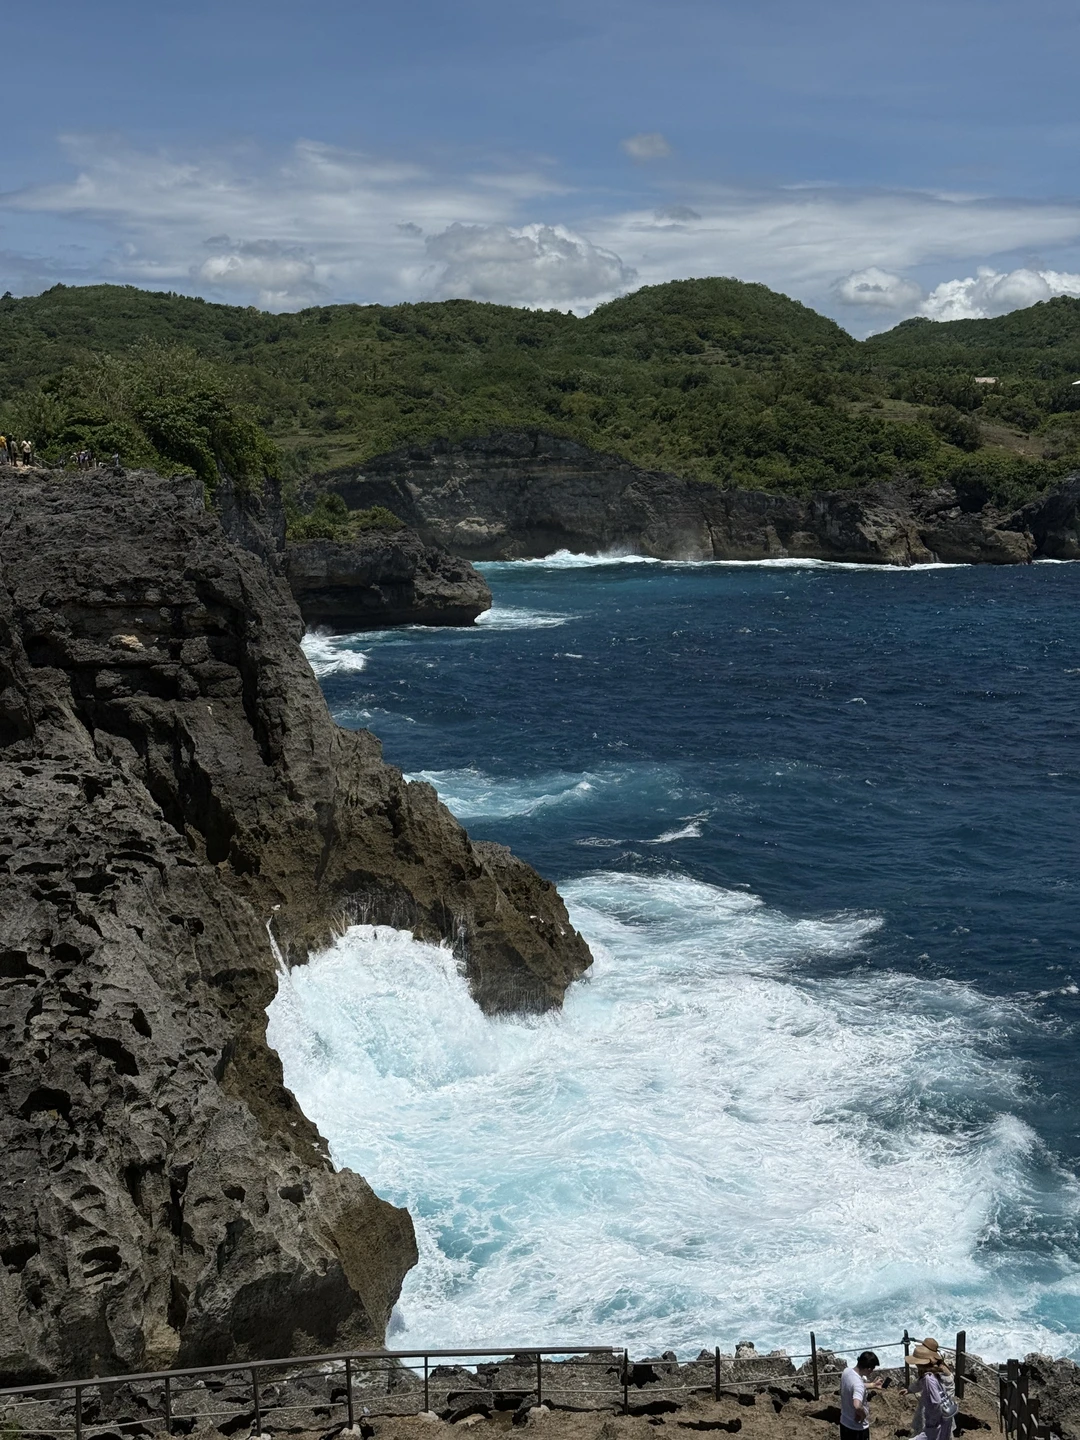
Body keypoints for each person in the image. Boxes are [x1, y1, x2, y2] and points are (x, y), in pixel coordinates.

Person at [909, 1339, 955, 1440]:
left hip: (935, 1411)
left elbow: (936, 1401)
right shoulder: (935, 1368)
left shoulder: (931, 1375)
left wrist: (933, 1421)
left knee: (929, 1432)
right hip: (945, 1409)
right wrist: (910, 1390)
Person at [840, 1351, 883, 1440]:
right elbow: (857, 1405)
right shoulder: (858, 1384)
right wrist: (863, 1415)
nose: (872, 1371)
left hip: (844, 1422)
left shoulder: (846, 1372)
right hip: (857, 1429)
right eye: (872, 1368)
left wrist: (872, 1385)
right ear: (868, 1368)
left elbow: (852, 1387)